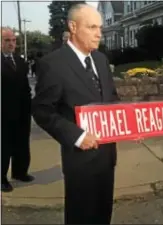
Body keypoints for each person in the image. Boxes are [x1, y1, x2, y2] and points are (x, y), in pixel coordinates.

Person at [32, 4, 120, 224]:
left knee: (103, 214)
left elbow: (112, 99)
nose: (99, 33)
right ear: (73, 27)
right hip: (80, 161)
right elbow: (42, 111)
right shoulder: (53, 64)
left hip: (107, 157)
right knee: (81, 216)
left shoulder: (101, 60)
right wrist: (77, 136)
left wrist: (128, 124)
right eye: (92, 27)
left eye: (99, 27)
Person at [1, 27, 34, 192]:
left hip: (22, 111)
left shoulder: (20, 61)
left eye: (13, 40)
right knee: (4, 146)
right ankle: (1, 178)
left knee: (21, 143)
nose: (11, 44)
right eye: (7, 40)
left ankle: (20, 172)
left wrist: (30, 106)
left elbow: (25, 87)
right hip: (3, 113)